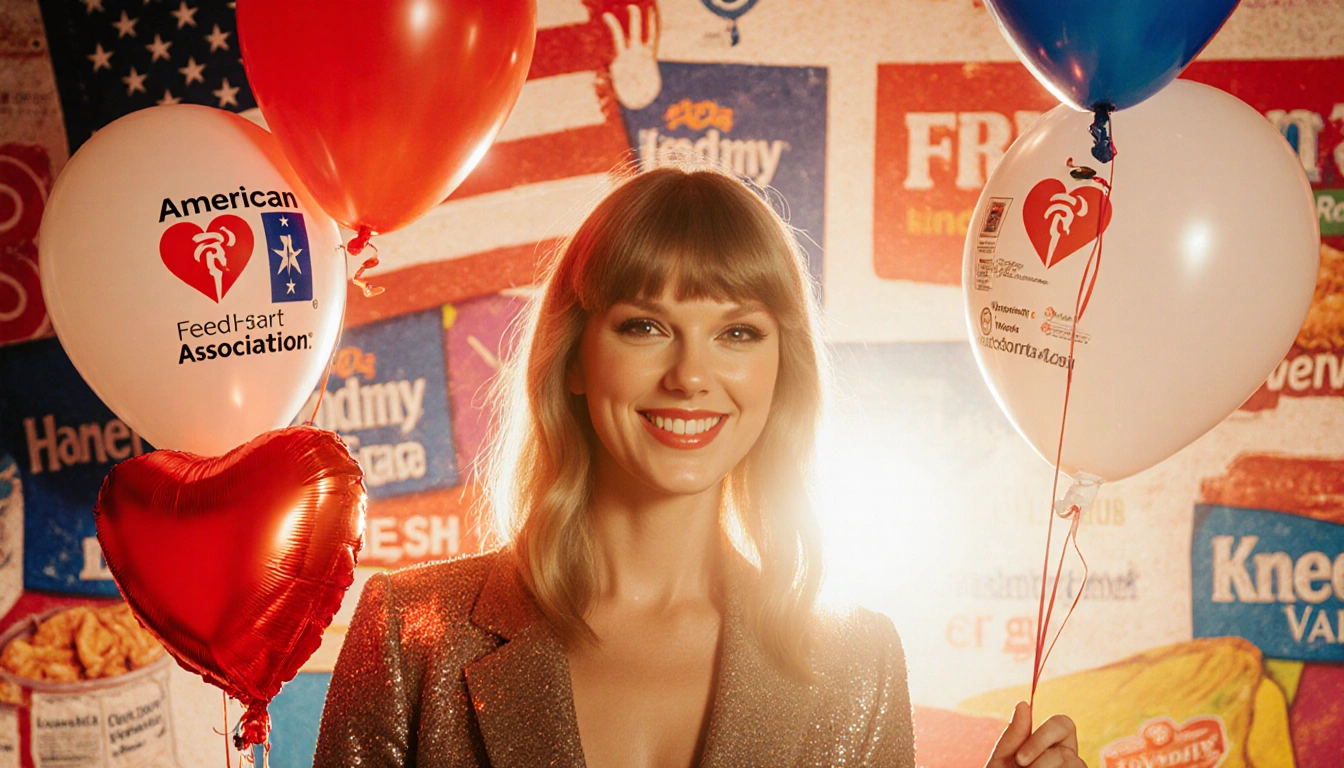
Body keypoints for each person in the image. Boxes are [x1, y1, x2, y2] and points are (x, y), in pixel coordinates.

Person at [313, 166, 1085, 768]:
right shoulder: (410, 636)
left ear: (782, 367)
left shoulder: (858, 663)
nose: (690, 375)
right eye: (646, 325)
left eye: (738, 333)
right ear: (574, 358)